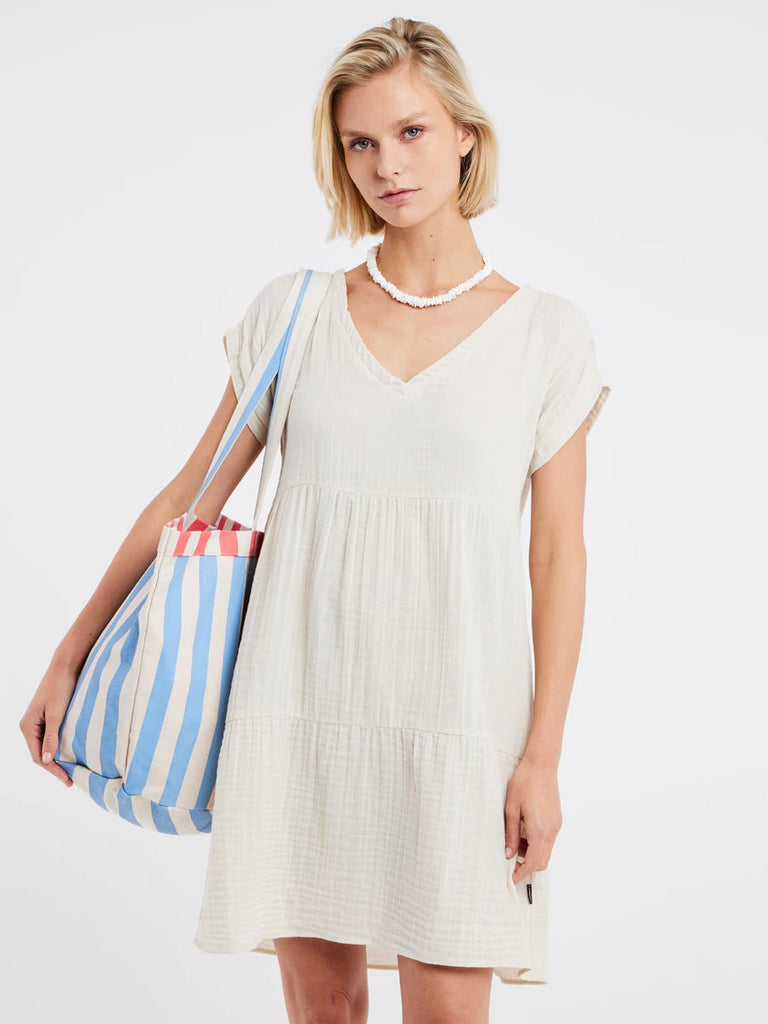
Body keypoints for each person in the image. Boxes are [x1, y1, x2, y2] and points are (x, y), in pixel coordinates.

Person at [19, 16, 611, 1024]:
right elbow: (187, 499)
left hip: (460, 726)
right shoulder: (295, 314)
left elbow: (556, 556)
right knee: (324, 1010)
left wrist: (542, 756)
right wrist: (68, 655)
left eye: (412, 132)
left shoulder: (546, 334)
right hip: (298, 709)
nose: (389, 165)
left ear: (466, 135)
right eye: (361, 142)